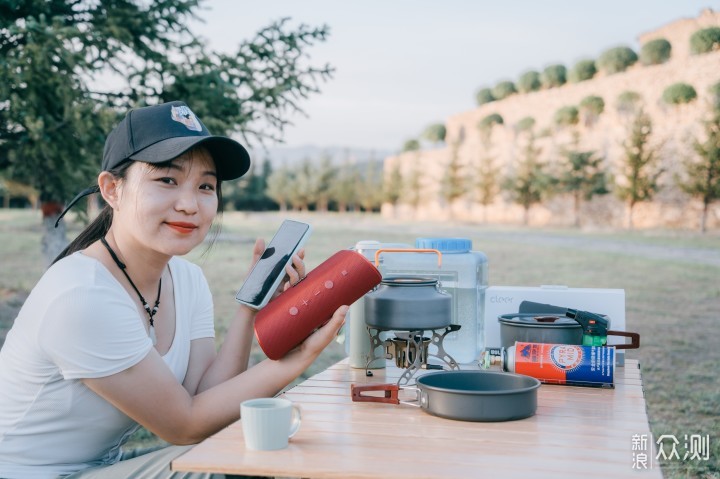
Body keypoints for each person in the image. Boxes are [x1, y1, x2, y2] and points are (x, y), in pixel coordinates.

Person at [0, 101, 348, 479]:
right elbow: (184, 425)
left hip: (101, 469)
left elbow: (206, 399)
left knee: (250, 447)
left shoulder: (185, 279)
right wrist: (296, 360)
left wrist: (252, 306)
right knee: (238, 463)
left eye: (206, 186)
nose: (189, 204)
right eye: (167, 180)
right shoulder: (81, 295)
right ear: (112, 189)